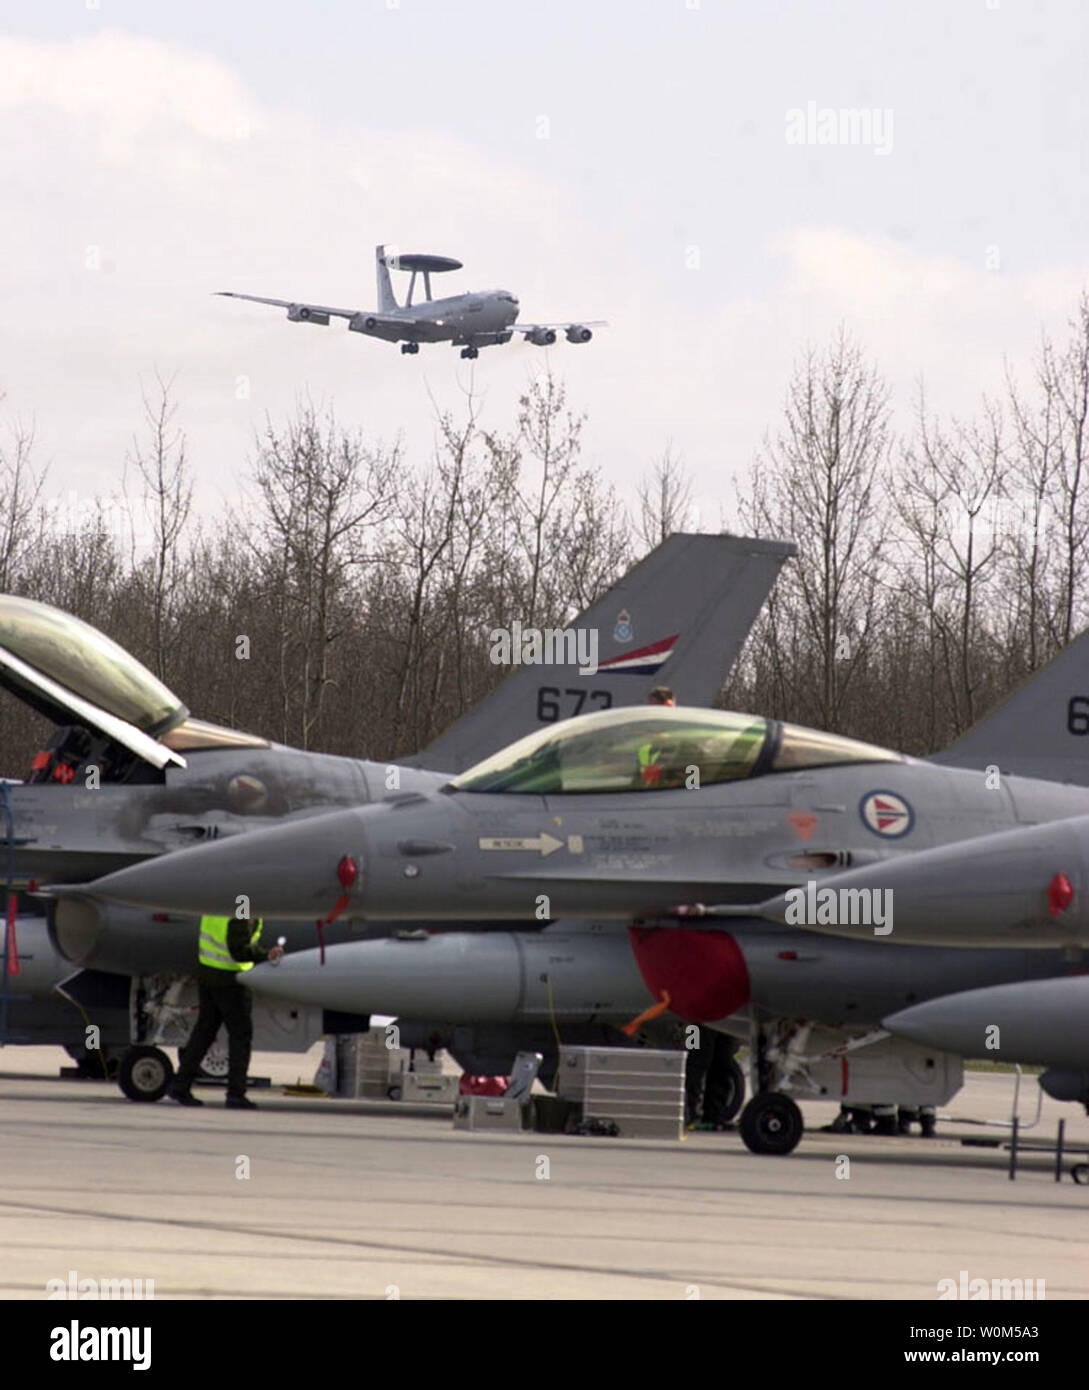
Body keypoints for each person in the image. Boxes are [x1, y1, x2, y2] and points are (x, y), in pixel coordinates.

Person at [168, 914, 284, 1110]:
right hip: (231, 981)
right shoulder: (242, 903)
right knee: (240, 1037)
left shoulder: (219, 897)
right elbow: (238, 950)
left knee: (203, 1033)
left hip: (208, 973)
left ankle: (181, 1085)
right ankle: (236, 1094)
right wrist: (267, 955)